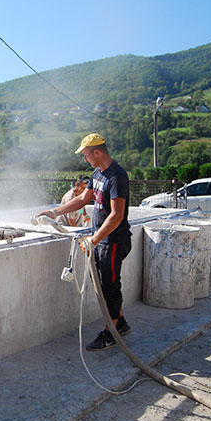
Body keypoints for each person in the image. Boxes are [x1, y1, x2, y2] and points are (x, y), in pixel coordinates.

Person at [40, 133, 132, 351]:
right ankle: (121, 323)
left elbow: (117, 215)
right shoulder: (98, 173)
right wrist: (54, 212)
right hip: (101, 241)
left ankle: (111, 332)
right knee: (101, 285)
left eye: (86, 155)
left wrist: (94, 239)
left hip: (113, 241)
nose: (85, 159)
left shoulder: (116, 176)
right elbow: (82, 199)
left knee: (109, 287)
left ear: (97, 152)